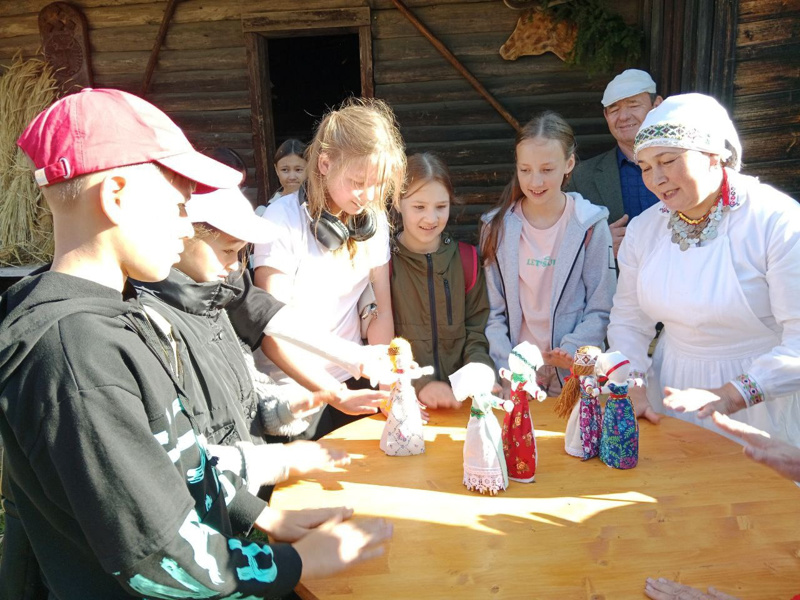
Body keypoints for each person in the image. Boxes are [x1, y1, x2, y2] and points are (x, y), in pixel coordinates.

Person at [0, 88, 391, 599]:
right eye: (179, 206)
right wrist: (298, 563)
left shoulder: (116, 321)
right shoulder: (76, 354)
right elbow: (157, 557)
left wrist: (263, 516)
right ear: (116, 195)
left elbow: (179, 463)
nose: (188, 229)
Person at [134, 186, 390, 495]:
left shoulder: (223, 282)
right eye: (229, 250)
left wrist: (350, 357)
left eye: (242, 253)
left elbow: (268, 314)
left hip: (235, 481)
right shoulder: (151, 315)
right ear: (183, 236)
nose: (236, 264)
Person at [607, 92, 800, 442]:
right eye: (646, 167)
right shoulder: (645, 229)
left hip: (761, 400)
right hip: (669, 395)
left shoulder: (776, 222)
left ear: (714, 156)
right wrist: (631, 382)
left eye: (667, 160)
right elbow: (629, 322)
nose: (657, 179)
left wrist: (729, 395)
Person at [252, 98, 405, 440]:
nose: (369, 195)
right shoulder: (281, 221)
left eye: (379, 183)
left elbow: (381, 310)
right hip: (294, 392)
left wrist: (388, 379)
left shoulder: (373, 222)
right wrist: (333, 395)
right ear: (324, 163)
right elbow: (271, 330)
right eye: (358, 181)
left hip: (352, 382)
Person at [481, 111, 617, 395]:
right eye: (525, 169)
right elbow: (493, 312)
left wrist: (569, 352)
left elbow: (600, 307)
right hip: (516, 378)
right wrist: (510, 366)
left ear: (569, 164)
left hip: (574, 378)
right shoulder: (495, 227)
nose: (535, 181)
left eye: (547, 169)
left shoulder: (590, 225)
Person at [390, 152, 495, 409]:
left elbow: (477, 330)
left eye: (441, 206)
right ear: (397, 201)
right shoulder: (383, 265)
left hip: (464, 406)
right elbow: (381, 343)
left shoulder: (467, 259)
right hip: (403, 408)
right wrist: (420, 385)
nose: (431, 218)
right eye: (419, 207)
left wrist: (479, 368)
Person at [567, 69, 663, 257]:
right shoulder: (583, 177)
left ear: (657, 105)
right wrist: (595, 243)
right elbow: (560, 240)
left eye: (633, 105)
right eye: (614, 109)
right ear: (606, 116)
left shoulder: (684, 167)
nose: (623, 116)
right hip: (617, 284)